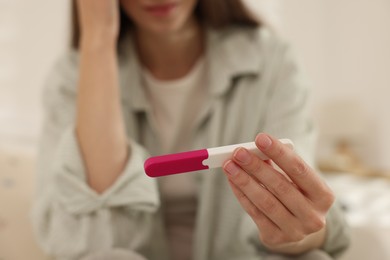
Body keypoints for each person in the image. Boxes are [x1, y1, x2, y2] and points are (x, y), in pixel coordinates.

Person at [32, 0, 350, 259]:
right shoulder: (73, 77)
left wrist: (300, 228)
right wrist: (98, 36)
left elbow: (299, 222)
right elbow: (96, 241)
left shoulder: (273, 61)